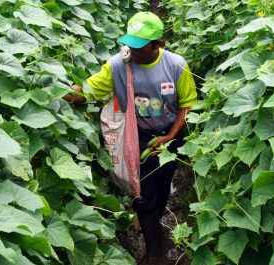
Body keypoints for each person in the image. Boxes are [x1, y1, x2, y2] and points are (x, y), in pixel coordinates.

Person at [64, 11, 197, 265]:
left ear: (158, 44)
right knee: (142, 195)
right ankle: (155, 250)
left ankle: (154, 226)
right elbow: (89, 92)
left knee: (161, 187)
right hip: (136, 139)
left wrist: (170, 136)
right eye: (129, 44)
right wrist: (67, 93)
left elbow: (187, 104)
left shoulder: (175, 65)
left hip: (170, 139)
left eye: (139, 46)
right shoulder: (117, 66)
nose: (131, 51)